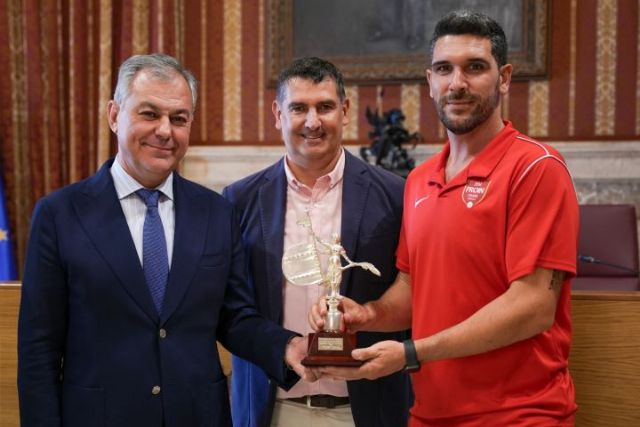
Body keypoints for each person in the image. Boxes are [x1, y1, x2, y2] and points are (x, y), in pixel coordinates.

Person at [310, 11, 580, 426]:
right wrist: (369, 314)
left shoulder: (536, 168)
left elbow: (533, 307)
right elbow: (412, 286)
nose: (457, 83)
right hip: (430, 413)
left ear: (504, 77)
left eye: (474, 67)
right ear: (430, 81)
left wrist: (412, 353)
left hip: (520, 414)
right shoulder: (419, 181)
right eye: (444, 69)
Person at [17, 53, 309, 427]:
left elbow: (234, 318)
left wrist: (287, 347)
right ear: (113, 115)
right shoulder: (59, 215)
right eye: (149, 114)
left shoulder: (216, 213)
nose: (165, 131)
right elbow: (38, 350)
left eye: (179, 118)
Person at [223, 57, 412, 427]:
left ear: (344, 111)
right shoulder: (239, 201)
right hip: (272, 408)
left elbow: (414, 293)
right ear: (278, 114)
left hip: (368, 411)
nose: (312, 122)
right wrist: (283, 347)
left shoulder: (396, 196)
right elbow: (229, 310)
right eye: (299, 108)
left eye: (324, 107)